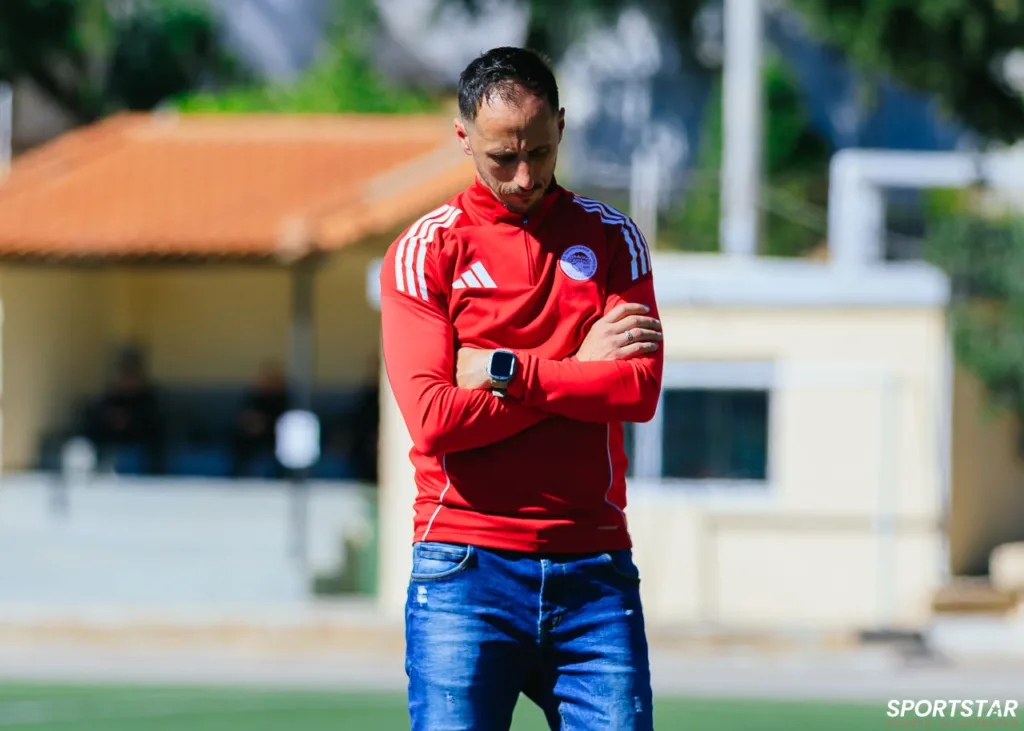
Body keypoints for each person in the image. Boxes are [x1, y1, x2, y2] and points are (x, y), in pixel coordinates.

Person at [379, 46, 664, 730]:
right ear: (463, 137)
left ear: (561, 125)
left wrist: (505, 369)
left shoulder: (614, 239)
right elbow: (435, 420)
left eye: (539, 151)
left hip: (594, 568)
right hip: (464, 565)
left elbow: (636, 392)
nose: (525, 175)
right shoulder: (426, 250)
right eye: (502, 157)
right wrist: (579, 366)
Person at [230, 362, 290, 478]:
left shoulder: (285, 400)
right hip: (249, 442)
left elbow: (287, 423)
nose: (269, 383)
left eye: (272, 380)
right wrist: (252, 423)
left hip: (274, 441)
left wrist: (266, 424)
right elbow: (244, 417)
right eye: (266, 379)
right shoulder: (254, 398)